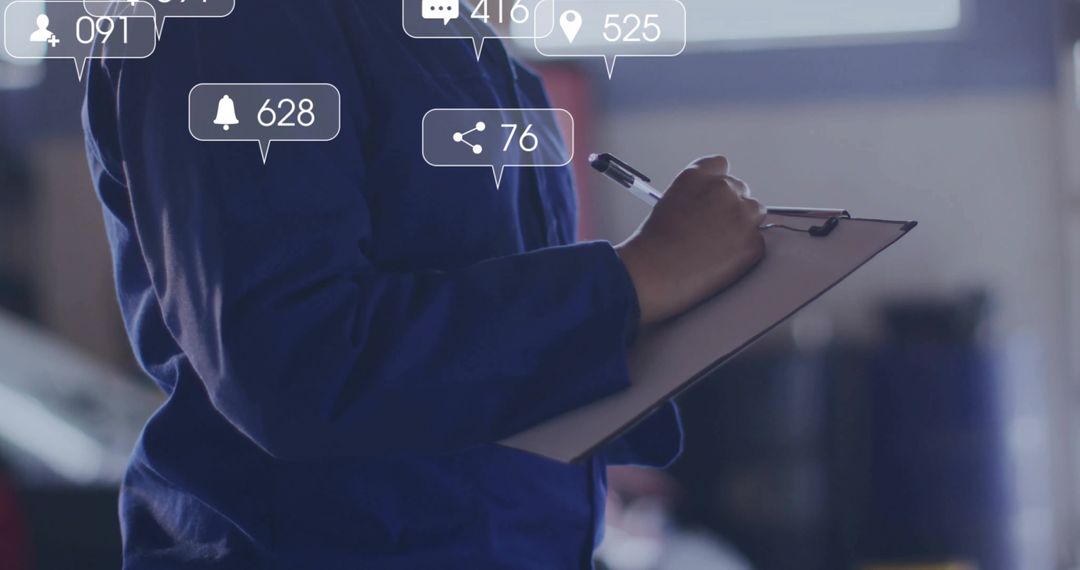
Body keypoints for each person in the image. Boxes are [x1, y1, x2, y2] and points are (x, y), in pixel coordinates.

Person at [82, 2, 765, 568]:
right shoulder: (235, 21)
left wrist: (671, 298)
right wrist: (637, 279)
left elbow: (488, 347)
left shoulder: (462, 43)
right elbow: (294, 362)